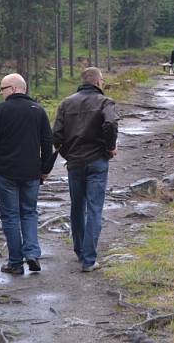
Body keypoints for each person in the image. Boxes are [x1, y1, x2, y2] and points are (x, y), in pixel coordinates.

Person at [0, 73, 53, 275]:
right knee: (29, 212)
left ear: (14, 89)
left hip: (5, 172)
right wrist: (44, 170)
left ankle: (15, 262)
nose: (1, 93)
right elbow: (47, 143)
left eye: (3, 89)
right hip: (32, 173)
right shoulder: (38, 111)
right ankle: (32, 253)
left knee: (10, 216)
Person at [52, 67, 118, 272]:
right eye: (103, 80)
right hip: (97, 161)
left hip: (75, 163)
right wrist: (109, 148)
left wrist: (67, 154)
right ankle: (89, 260)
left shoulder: (66, 103)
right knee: (95, 208)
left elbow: (56, 136)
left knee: (77, 207)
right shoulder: (105, 102)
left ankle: (80, 251)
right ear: (98, 82)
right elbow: (111, 125)